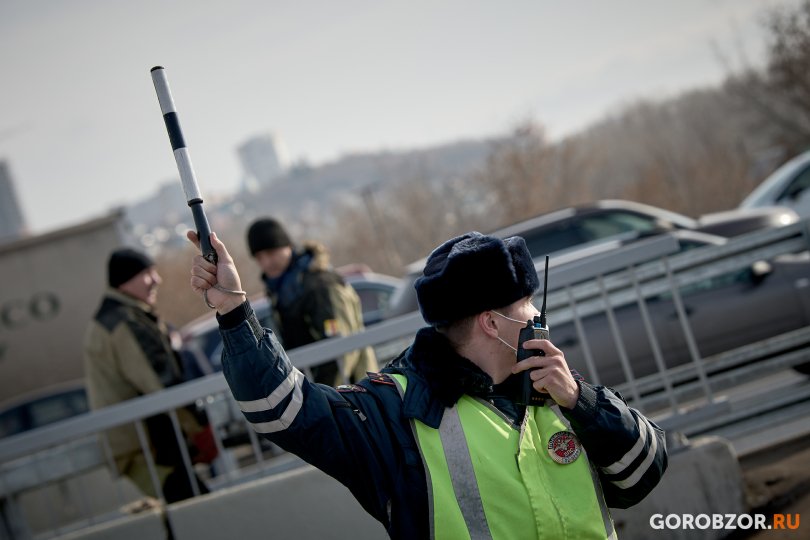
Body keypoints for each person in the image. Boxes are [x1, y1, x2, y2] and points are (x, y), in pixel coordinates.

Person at [189, 231, 667, 539]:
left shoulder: (555, 385)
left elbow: (643, 472)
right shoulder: (396, 409)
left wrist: (583, 401)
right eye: (526, 306)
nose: (538, 317)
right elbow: (282, 409)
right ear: (491, 324)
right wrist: (233, 309)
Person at [84, 248, 215, 503]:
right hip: (148, 450)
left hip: (144, 447)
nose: (157, 279)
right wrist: (199, 429)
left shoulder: (117, 318)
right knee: (201, 516)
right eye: (147, 273)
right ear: (124, 281)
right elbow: (160, 383)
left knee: (192, 516)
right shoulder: (124, 323)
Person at [246, 217, 377, 385]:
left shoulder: (320, 283)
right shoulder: (280, 290)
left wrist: (324, 397)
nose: (266, 262)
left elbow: (342, 350)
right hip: (321, 390)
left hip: (351, 390)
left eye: (271, 253)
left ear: (288, 246)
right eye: (259, 257)